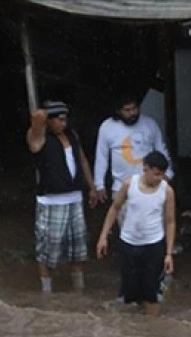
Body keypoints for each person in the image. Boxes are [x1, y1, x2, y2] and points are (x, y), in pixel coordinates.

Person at [26, 101, 99, 294]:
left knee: (78, 249)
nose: (62, 123)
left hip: (74, 198)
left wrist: (91, 187)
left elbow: (82, 160)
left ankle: (79, 289)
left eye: (64, 119)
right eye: (58, 120)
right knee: (48, 250)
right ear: (49, 121)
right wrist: (46, 111)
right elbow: (37, 117)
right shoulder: (38, 138)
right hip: (51, 200)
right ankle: (46, 290)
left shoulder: (71, 135)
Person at [97, 151, 175, 316]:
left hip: (154, 245)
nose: (159, 178)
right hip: (129, 244)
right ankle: (130, 331)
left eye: (162, 174)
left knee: (151, 293)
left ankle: (151, 328)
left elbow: (170, 221)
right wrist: (104, 236)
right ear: (145, 168)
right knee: (128, 292)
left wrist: (168, 253)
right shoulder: (129, 184)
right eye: (156, 174)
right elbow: (114, 208)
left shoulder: (167, 191)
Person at [93, 92, 174, 204]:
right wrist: (99, 184)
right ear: (118, 111)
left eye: (134, 108)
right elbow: (101, 157)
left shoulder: (150, 124)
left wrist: (168, 174)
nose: (132, 113)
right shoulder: (107, 127)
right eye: (127, 110)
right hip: (121, 188)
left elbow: (162, 151)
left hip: (151, 186)